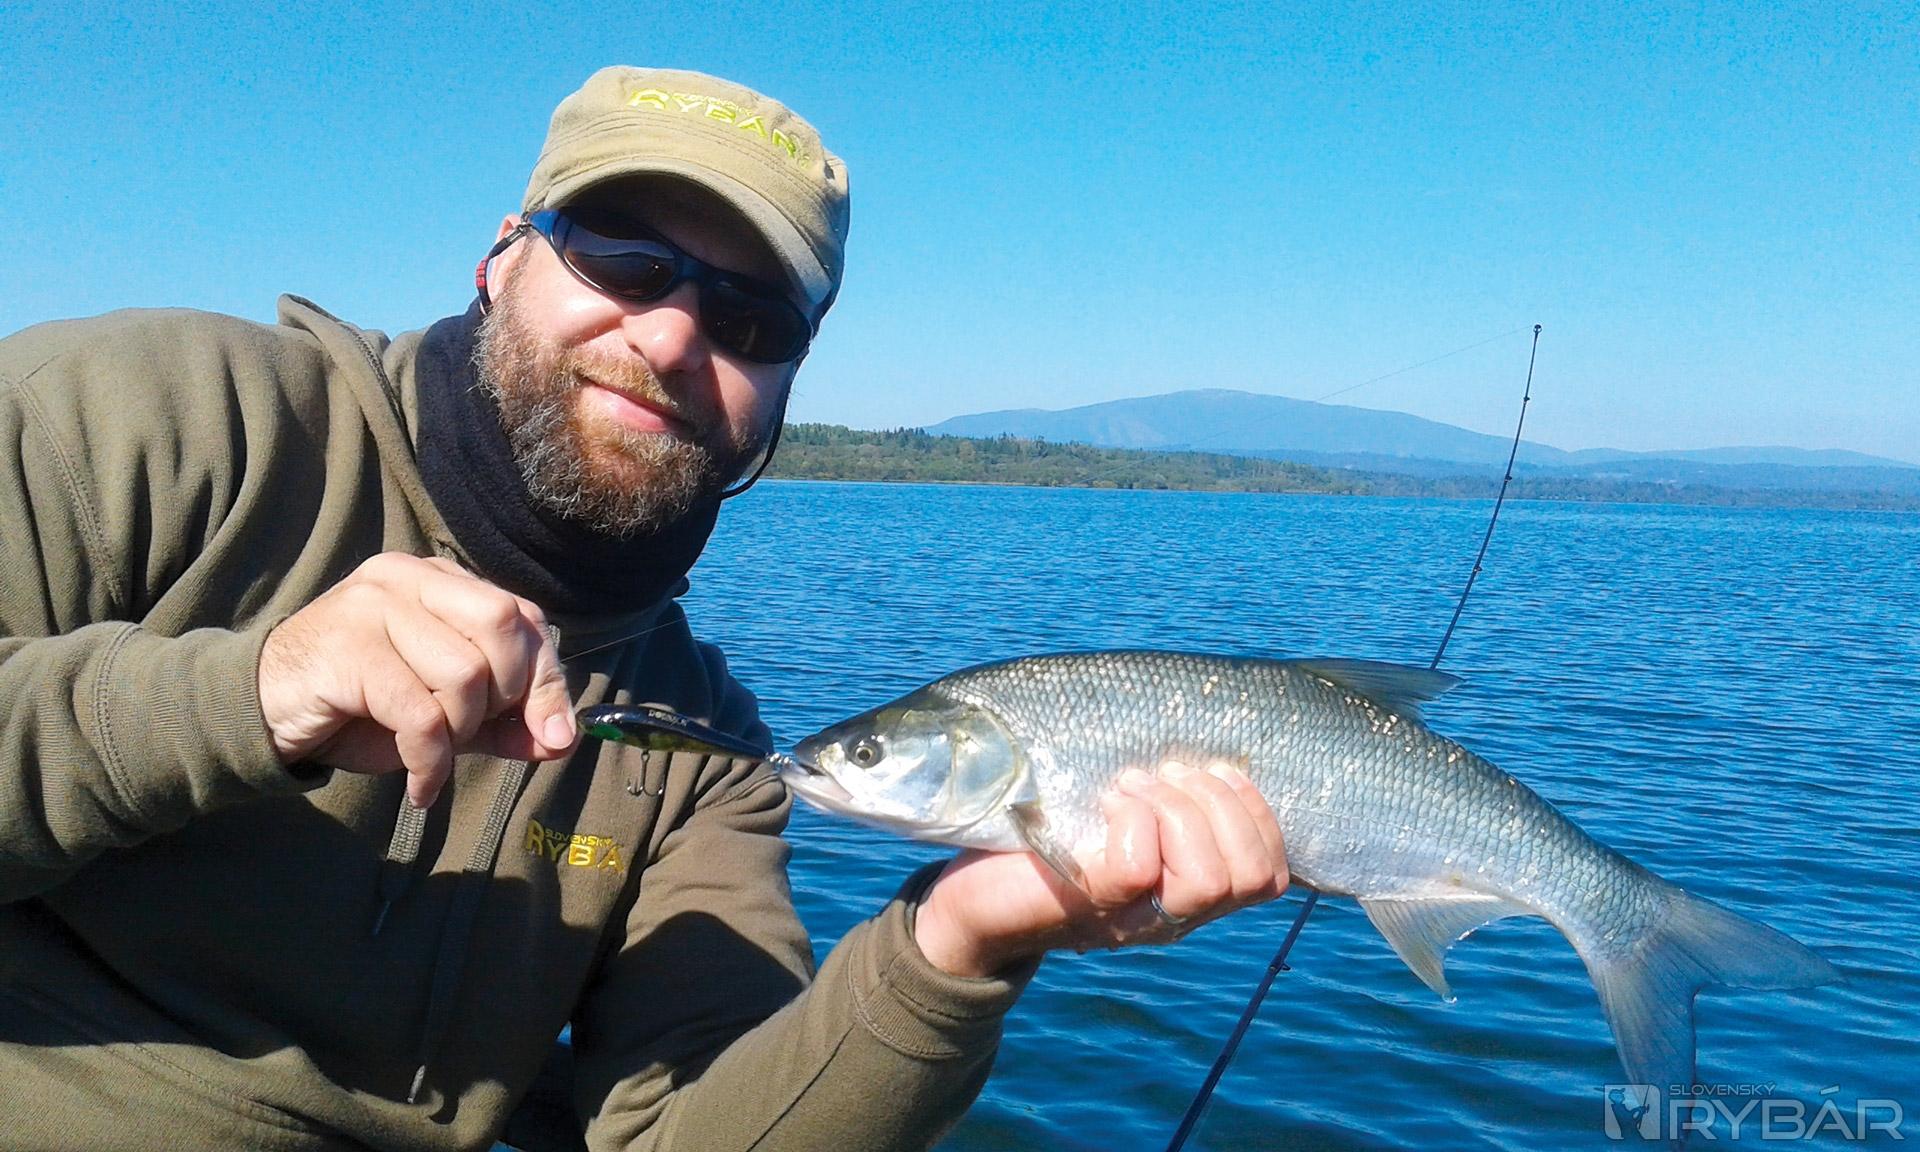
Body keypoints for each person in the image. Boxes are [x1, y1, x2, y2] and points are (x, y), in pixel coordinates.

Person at [0, 66, 1288, 1151]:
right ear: (503, 256)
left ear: (788, 380)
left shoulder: (704, 751)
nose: (672, 338)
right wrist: (246, 696)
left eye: (749, 317)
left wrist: (952, 951)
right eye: (623, 259)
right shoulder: (150, 415)